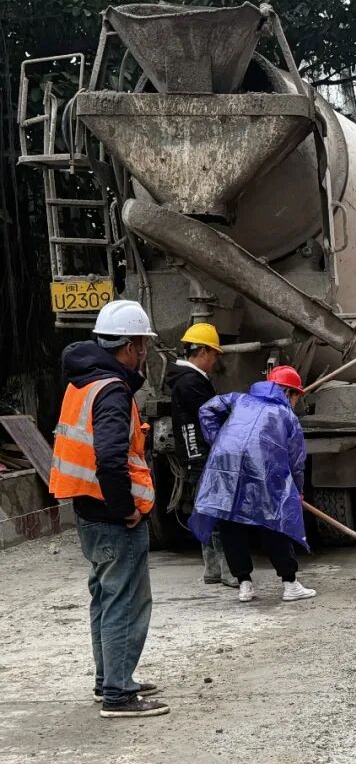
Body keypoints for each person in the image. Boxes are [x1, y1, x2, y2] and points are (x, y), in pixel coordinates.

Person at [48, 300, 169, 718]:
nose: (145, 353)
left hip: (86, 508)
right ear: (133, 345)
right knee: (127, 601)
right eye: (143, 344)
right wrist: (127, 511)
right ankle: (119, 693)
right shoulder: (113, 390)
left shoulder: (83, 382)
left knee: (104, 595)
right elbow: (111, 459)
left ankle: (110, 680)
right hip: (111, 514)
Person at [190, 366, 315, 603]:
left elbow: (207, 409)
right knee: (272, 521)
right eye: (297, 395)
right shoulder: (287, 415)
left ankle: (244, 585)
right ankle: (290, 584)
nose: (298, 400)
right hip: (262, 467)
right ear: (289, 392)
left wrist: (218, 439)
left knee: (230, 519)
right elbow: (297, 461)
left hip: (226, 462)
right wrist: (297, 491)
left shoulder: (240, 399)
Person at [164, 323, 238, 588]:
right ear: (204, 351)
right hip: (202, 455)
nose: (216, 359)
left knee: (207, 508)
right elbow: (212, 414)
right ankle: (228, 571)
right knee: (218, 511)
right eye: (215, 353)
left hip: (195, 454)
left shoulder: (186, 380)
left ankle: (213, 569)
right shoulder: (191, 382)